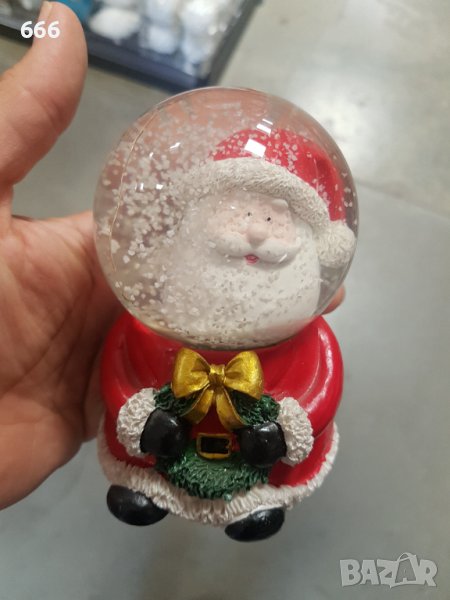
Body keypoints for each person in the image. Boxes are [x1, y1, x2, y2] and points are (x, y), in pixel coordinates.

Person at [0, 2, 344, 510]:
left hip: (261, 446)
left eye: (275, 220)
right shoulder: (151, 324)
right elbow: (122, 367)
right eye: (239, 213)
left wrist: (285, 428)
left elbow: (321, 381)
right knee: (141, 448)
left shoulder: (301, 339)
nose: (255, 232)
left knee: (281, 465)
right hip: (168, 436)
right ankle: (143, 488)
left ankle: (262, 502)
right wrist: (142, 416)